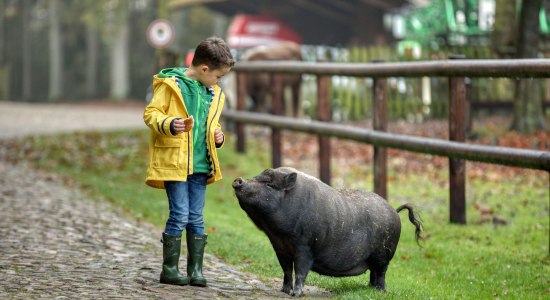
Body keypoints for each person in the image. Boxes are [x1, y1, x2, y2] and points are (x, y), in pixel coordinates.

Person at [143, 36, 235, 287]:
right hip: (175, 162)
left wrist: (218, 137)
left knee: (196, 217)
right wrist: (171, 124)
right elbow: (151, 114)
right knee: (179, 214)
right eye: (218, 76)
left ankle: (196, 270)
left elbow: (212, 125)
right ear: (205, 69)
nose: (219, 82)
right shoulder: (171, 85)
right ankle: (170, 269)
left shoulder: (214, 93)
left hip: (201, 165)